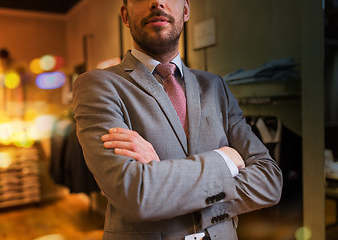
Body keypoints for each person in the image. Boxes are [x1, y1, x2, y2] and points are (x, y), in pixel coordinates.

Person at [73, 0, 283, 239]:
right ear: (125, 15)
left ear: (185, 10)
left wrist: (161, 177)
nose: (157, 2)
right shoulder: (97, 85)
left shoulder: (216, 86)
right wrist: (225, 160)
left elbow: (269, 181)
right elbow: (137, 194)